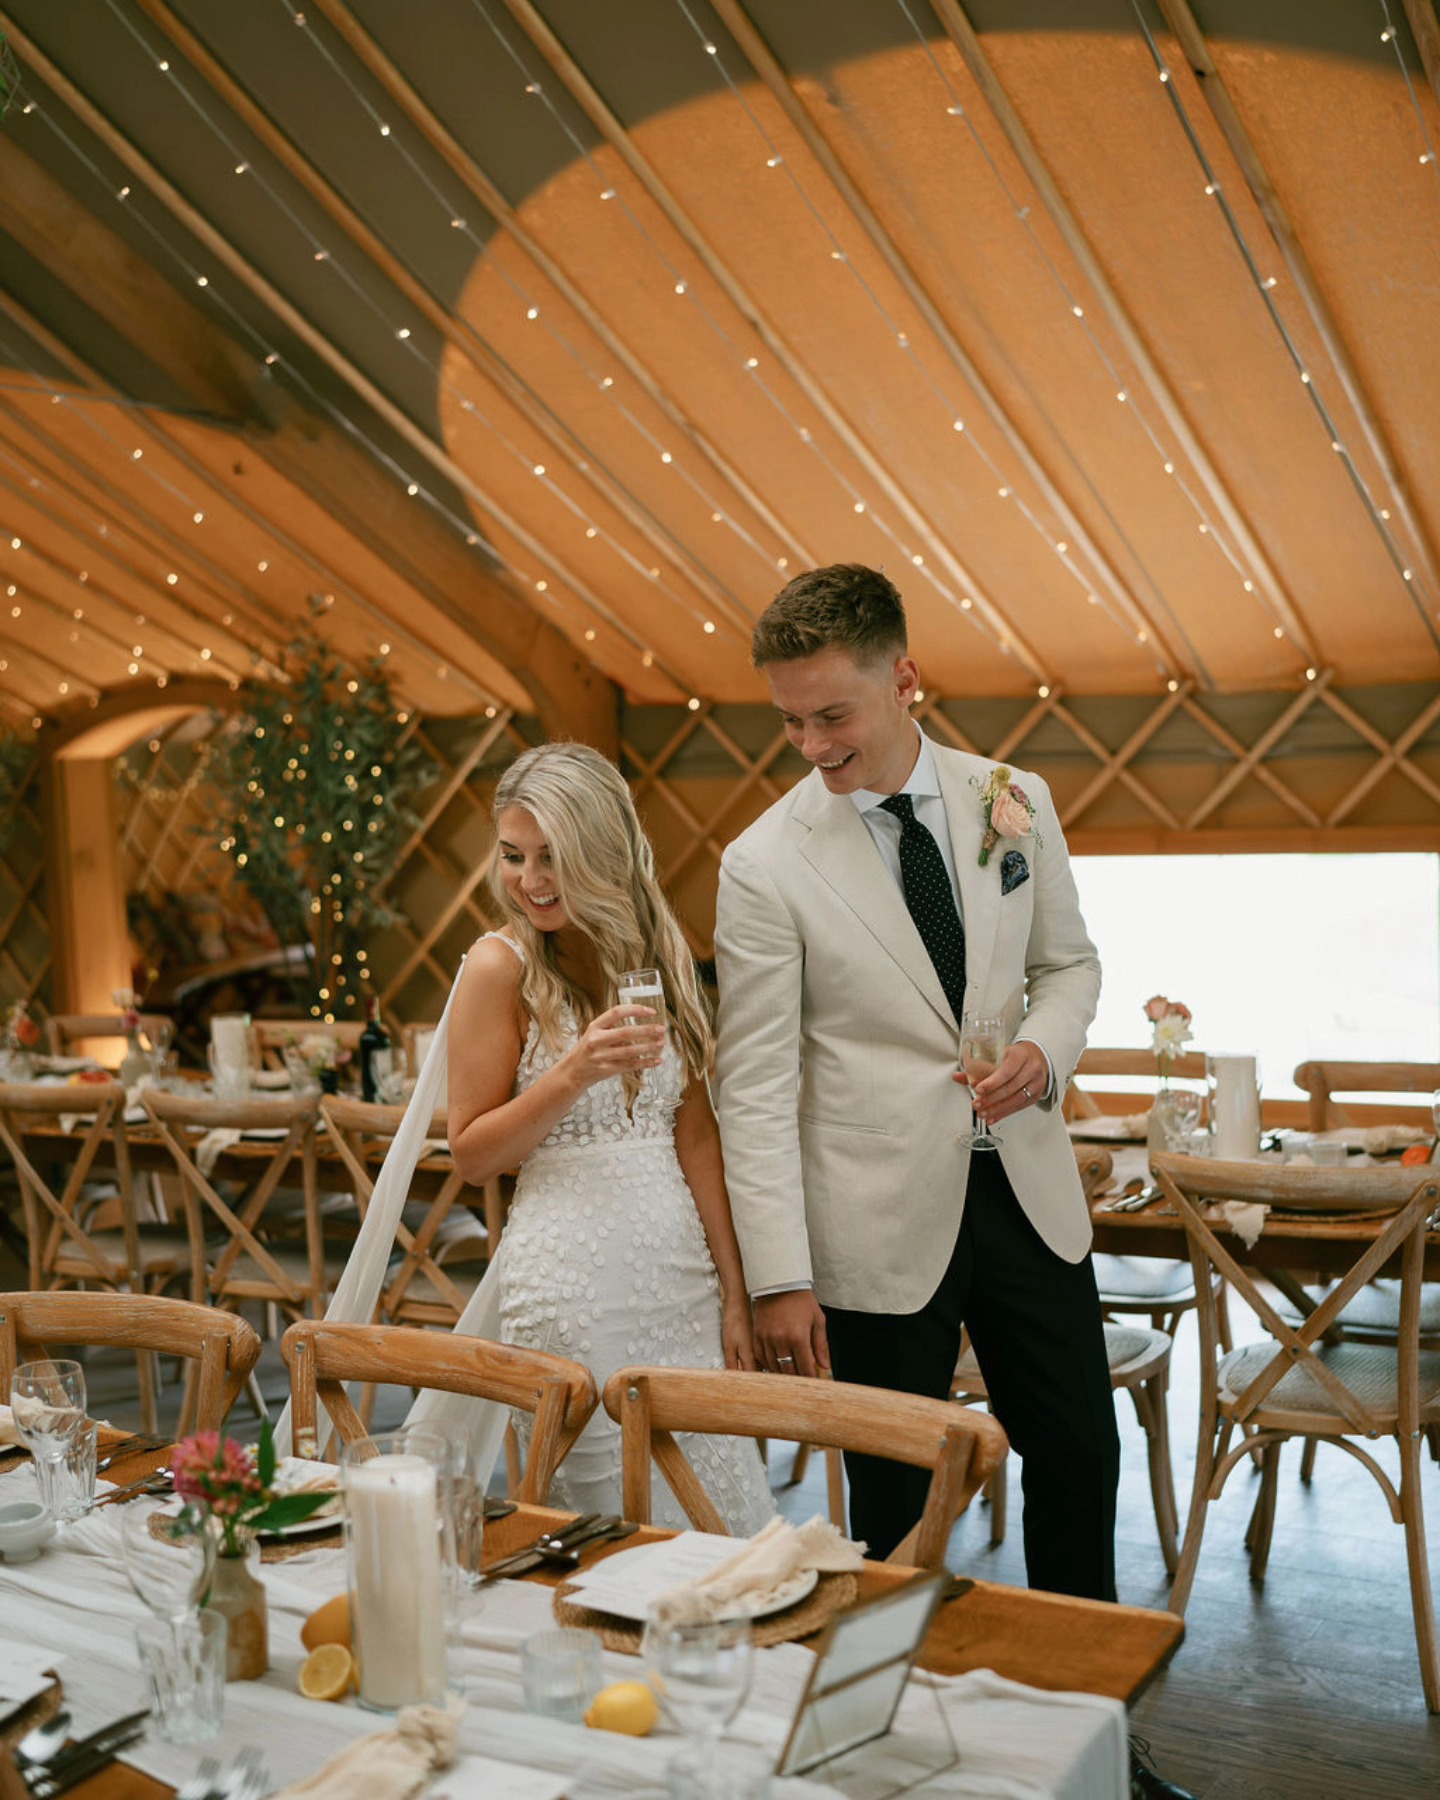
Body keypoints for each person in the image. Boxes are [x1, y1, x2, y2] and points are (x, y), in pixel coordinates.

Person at [714, 563, 1121, 1597]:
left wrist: (1048, 1050)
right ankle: (896, 1731)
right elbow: (754, 1085)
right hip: (872, 1220)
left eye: (831, 715)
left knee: (1079, 1456)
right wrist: (778, 1278)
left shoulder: (1011, 798)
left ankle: (1089, 1726)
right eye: (790, 723)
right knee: (894, 1498)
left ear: (905, 679)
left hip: (1024, 1188)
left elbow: (1068, 965)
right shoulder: (763, 864)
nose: (811, 746)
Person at [445, 741, 774, 1533]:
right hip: (570, 1293)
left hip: (682, 1285)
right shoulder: (499, 968)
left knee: (723, 1518)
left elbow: (696, 1135)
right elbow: (473, 1155)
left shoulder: (654, 951)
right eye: (515, 855)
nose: (531, 881)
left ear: (604, 850)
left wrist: (735, 1294)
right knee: (606, 1533)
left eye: (554, 856)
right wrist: (572, 1073)